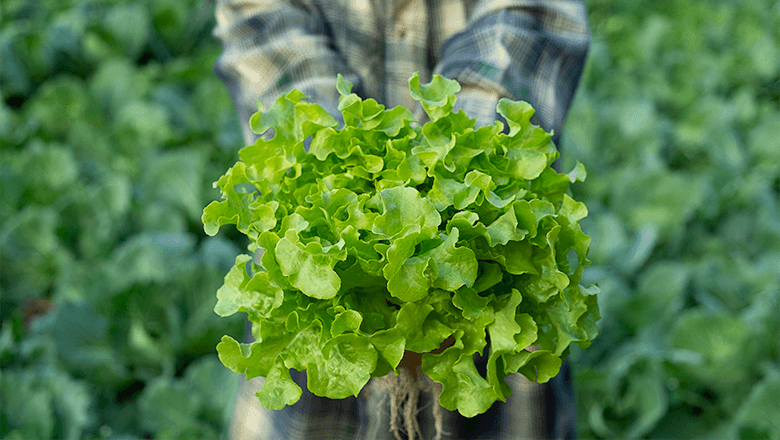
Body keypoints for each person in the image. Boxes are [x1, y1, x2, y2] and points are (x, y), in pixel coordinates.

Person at [212, 0, 590, 438]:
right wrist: (326, 160)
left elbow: (530, 16)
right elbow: (263, 20)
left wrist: (466, 163)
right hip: (323, 312)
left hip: (485, 282)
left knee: (492, 401)